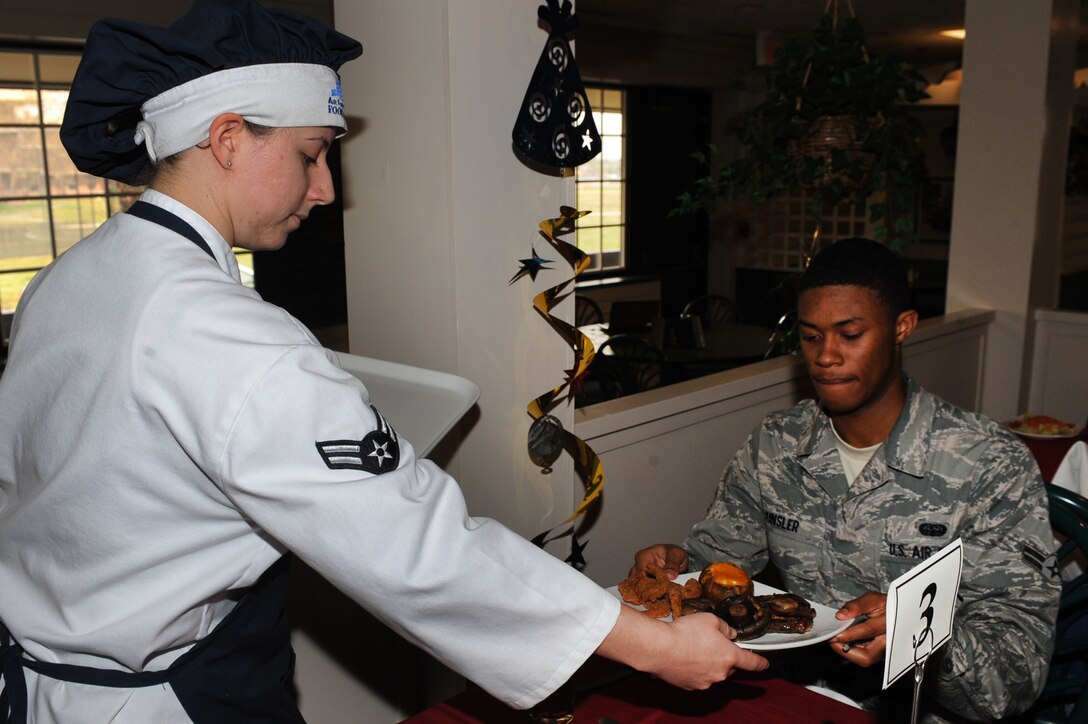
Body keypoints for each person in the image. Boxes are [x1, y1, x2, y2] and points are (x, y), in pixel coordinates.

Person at [0, 1, 767, 721]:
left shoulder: (69, 278)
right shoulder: (224, 333)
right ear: (227, 138)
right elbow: (420, 550)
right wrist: (655, 645)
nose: (327, 188)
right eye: (312, 154)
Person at [632, 237, 1061, 721]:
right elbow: (722, 564)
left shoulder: (988, 464)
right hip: (790, 698)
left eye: (850, 334)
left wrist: (917, 634)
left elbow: (1015, 677)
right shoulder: (777, 444)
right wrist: (679, 567)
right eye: (811, 337)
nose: (826, 356)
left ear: (902, 328)